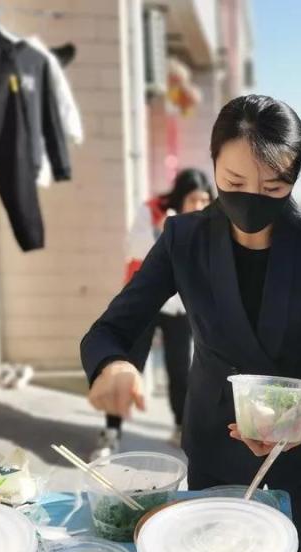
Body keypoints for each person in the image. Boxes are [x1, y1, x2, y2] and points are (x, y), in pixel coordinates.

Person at [80, 94, 301, 552]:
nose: (252, 200)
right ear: (213, 166)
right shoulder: (184, 238)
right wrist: (113, 365)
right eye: (235, 182)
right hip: (216, 446)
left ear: (294, 177)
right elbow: (112, 328)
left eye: (273, 187)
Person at [91, 168, 213, 458]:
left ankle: (181, 427)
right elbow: (133, 249)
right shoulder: (151, 210)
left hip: (179, 306)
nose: (199, 205)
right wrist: (163, 229)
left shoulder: (209, 224)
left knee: (179, 369)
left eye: (204, 200)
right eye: (193, 199)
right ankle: (111, 432)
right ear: (180, 197)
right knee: (128, 365)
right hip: (145, 302)